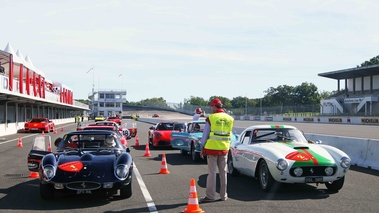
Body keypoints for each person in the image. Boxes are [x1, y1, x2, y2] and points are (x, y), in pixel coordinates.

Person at [199, 98, 234, 203]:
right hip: (224, 148)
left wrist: (202, 146)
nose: (211, 108)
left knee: (212, 173)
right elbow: (230, 134)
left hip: (212, 149)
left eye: (212, 107)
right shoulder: (230, 118)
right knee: (223, 173)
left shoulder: (212, 118)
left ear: (215, 106)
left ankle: (210, 196)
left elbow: (205, 134)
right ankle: (224, 195)